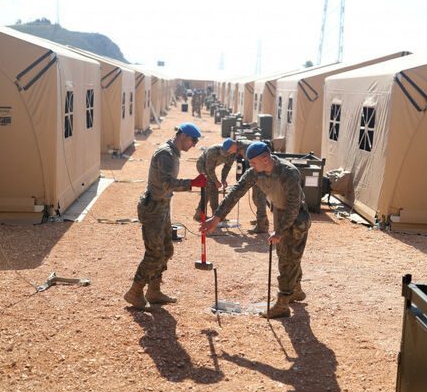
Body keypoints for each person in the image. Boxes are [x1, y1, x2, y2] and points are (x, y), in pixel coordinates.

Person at [200, 142, 310, 318]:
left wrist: (280, 232)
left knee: (288, 258)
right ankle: (295, 289)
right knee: (286, 254)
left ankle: (283, 303)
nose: (250, 165)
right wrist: (217, 217)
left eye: (253, 162)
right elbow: (236, 192)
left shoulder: (289, 172)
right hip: (280, 212)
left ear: (265, 159)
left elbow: (293, 206)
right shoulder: (255, 172)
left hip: (296, 217)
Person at [124, 122, 207, 310]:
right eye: (193, 141)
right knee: (154, 253)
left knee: (166, 250)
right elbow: (166, 183)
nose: (194, 145)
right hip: (153, 208)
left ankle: (153, 291)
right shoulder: (166, 154)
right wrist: (192, 183)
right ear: (183, 136)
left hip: (162, 206)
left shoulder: (174, 153)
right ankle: (134, 292)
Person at [194, 138, 269, 234]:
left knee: (258, 197)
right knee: (211, 188)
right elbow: (209, 169)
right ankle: (208, 215)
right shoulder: (215, 151)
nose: (229, 153)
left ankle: (262, 223)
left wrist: (223, 179)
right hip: (203, 166)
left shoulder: (244, 148)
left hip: (260, 173)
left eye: (229, 151)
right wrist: (216, 181)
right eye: (227, 152)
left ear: (234, 145)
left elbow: (227, 166)